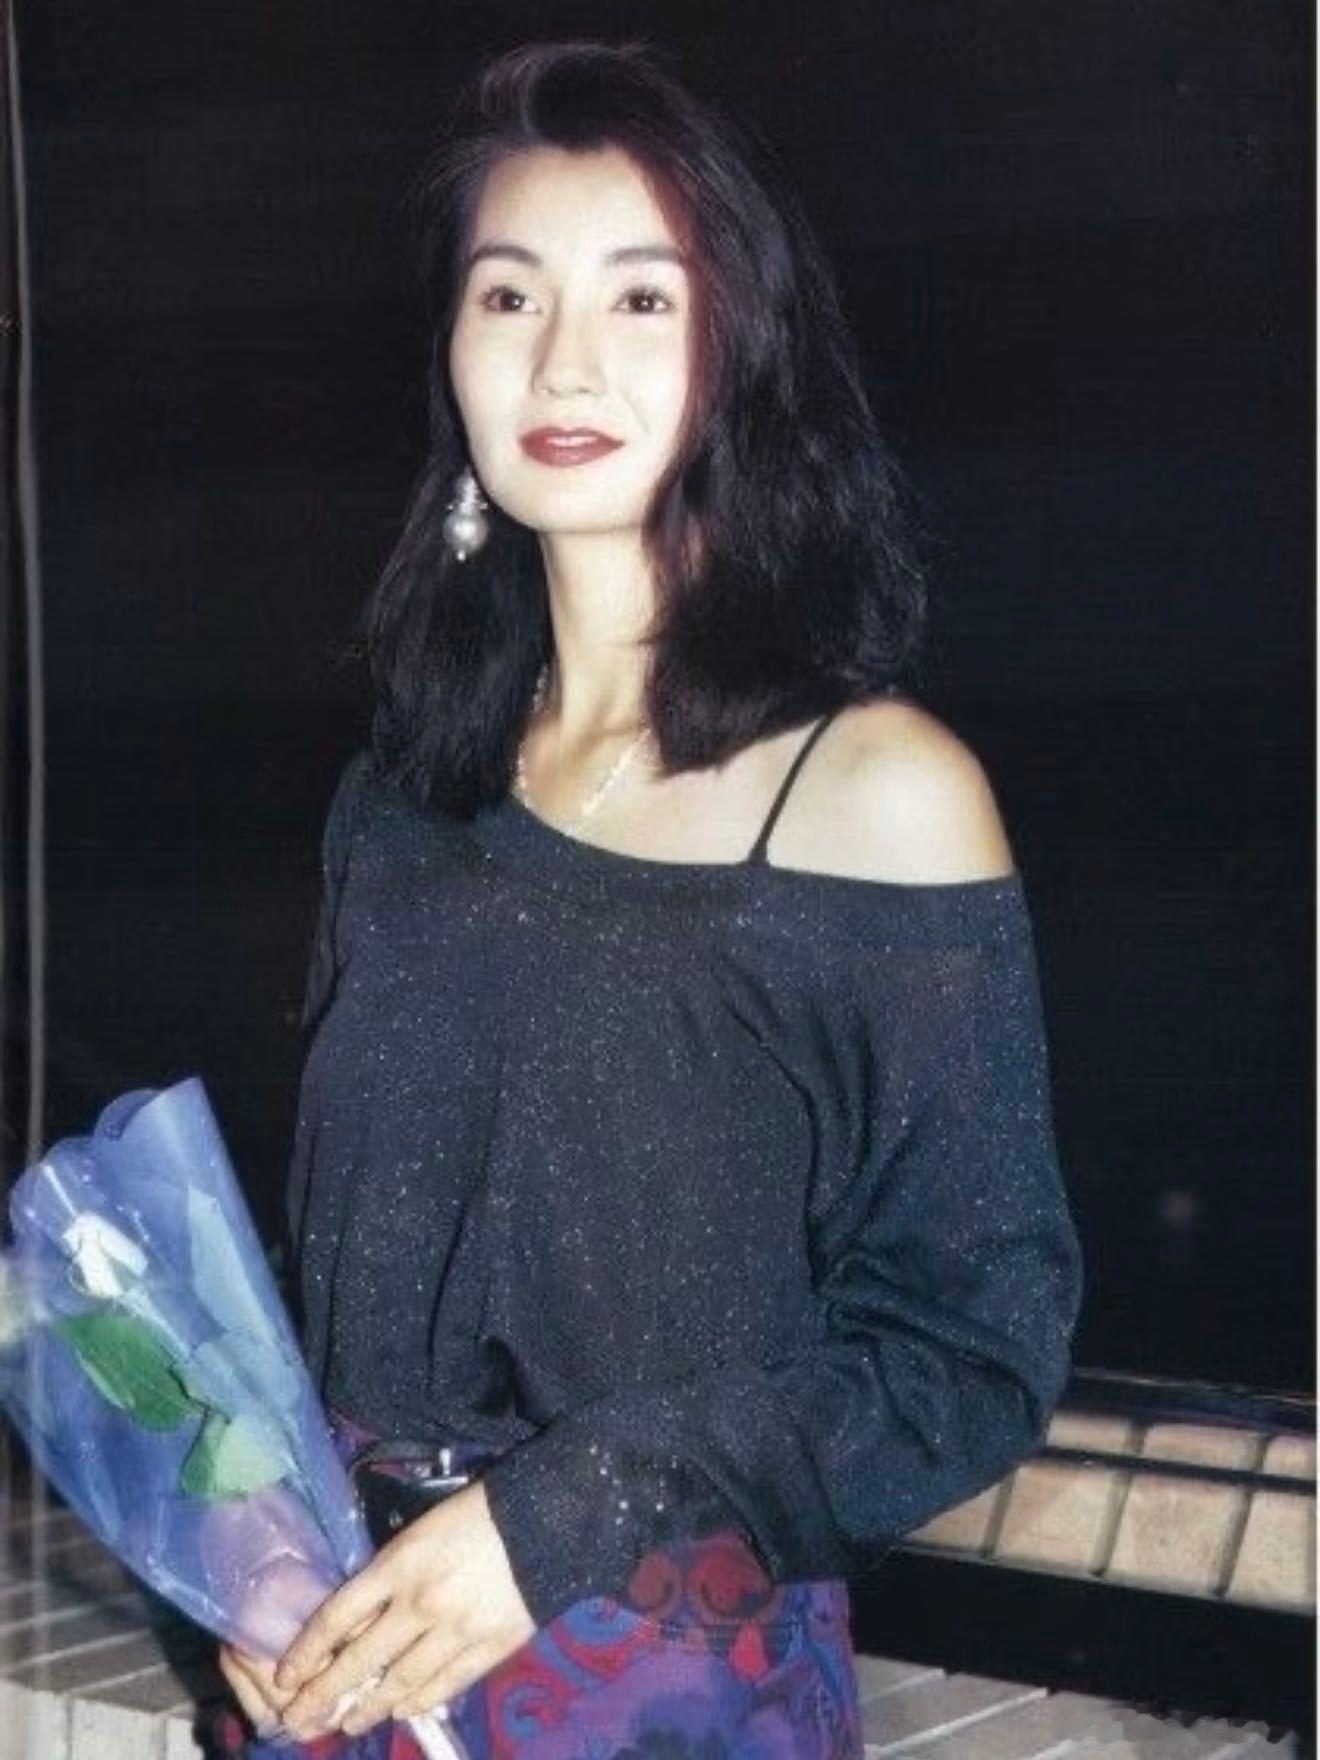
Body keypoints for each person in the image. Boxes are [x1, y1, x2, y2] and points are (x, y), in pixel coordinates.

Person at [212, 39, 1082, 1760]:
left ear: (742, 348)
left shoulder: (878, 793)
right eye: (509, 295)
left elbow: (974, 1348)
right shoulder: (403, 795)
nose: (565, 359)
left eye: (641, 298)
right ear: (452, 351)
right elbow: (334, 1275)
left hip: (661, 1682)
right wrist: (243, 1552)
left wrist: (566, 1514)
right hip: (342, 1663)